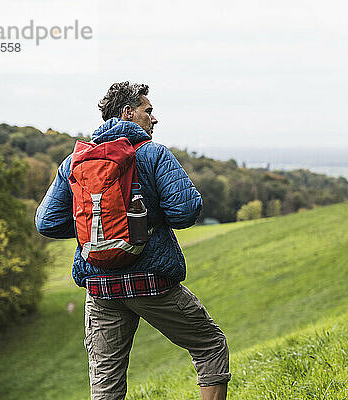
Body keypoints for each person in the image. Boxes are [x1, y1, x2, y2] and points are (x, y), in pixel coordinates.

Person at [35, 81, 230, 400]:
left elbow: (47, 222)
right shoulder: (153, 154)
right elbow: (184, 211)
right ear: (128, 113)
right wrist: (137, 222)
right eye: (148, 111)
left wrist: (98, 227)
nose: (155, 119)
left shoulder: (76, 161)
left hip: (100, 286)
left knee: (105, 381)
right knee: (209, 347)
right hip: (150, 281)